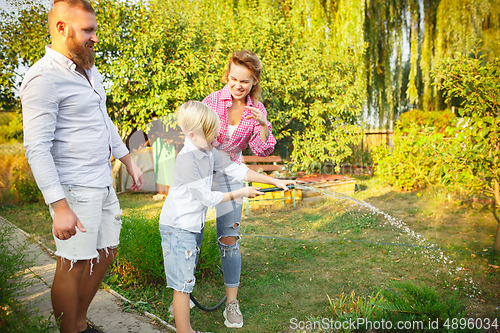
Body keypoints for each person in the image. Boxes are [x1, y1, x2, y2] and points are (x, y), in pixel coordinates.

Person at [20, 1, 144, 332]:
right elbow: (37, 147)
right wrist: (59, 206)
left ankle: (78, 321)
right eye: (88, 30)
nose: (94, 38)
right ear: (62, 28)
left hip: (101, 181)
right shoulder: (43, 78)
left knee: (105, 253)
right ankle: (72, 328)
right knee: (74, 263)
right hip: (73, 188)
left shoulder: (91, 72)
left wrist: (128, 161)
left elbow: (103, 122)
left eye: (94, 30)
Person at [159, 101, 293, 333]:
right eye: (211, 133)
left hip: (188, 227)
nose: (217, 137)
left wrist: (275, 181)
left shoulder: (207, 151)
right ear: (192, 135)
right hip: (178, 229)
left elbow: (238, 170)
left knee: (185, 281)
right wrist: (241, 192)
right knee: (182, 286)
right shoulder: (187, 160)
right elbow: (207, 198)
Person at [202, 50, 276, 328]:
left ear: (254, 81)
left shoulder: (257, 109)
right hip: (202, 172)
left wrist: (263, 125)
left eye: (244, 81)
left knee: (229, 238)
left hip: (231, 173)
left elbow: (261, 148)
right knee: (192, 237)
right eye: (233, 78)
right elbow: (195, 137)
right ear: (228, 76)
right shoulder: (211, 101)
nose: (237, 85)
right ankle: (182, 298)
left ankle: (231, 303)